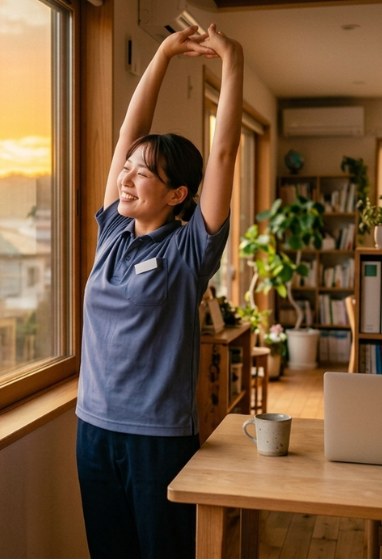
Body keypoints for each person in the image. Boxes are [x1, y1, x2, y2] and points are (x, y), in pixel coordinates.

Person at [75, 24, 243, 559]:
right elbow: (129, 132)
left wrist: (232, 60)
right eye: (126, 169)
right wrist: (165, 52)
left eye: (142, 175)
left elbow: (223, 154)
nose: (125, 178)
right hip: (93, 427)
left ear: (176, 194)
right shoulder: (112, 233)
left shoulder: (189, 250)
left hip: (158, 437)